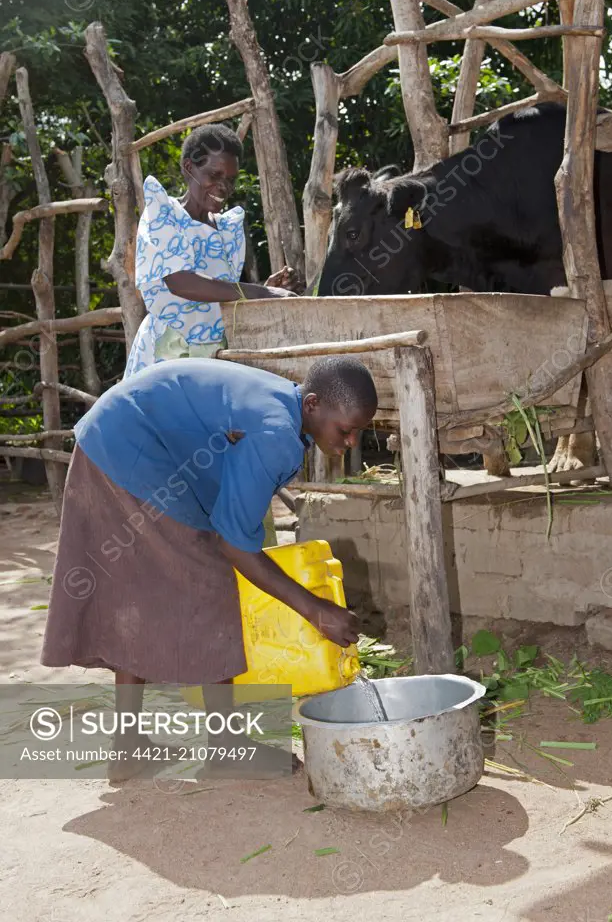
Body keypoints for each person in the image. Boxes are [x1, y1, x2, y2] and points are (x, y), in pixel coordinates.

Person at [41, 355, 377, 780]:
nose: (350, 442)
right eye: (345, 430)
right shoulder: (276, 431)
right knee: (211, 584)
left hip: (110, 439)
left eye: (357, 433)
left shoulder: (281, 409)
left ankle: (129, 747)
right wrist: (316, 609)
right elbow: (234, 546)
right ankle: (226, 747)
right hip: (130, 450)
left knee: (138, 592)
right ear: (312, 405)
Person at [125, 121, 304, 546]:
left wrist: (268, 288)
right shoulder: (163, 215)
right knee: (172, 467)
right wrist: (258, 292)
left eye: (229, 179)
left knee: (221, 464)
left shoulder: (226, 229)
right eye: (213, 175)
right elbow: (180, 282)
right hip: (170, 358)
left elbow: (221, 292)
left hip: (216, 361)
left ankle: (230, 564)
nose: (221, 186)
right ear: (189, 167)